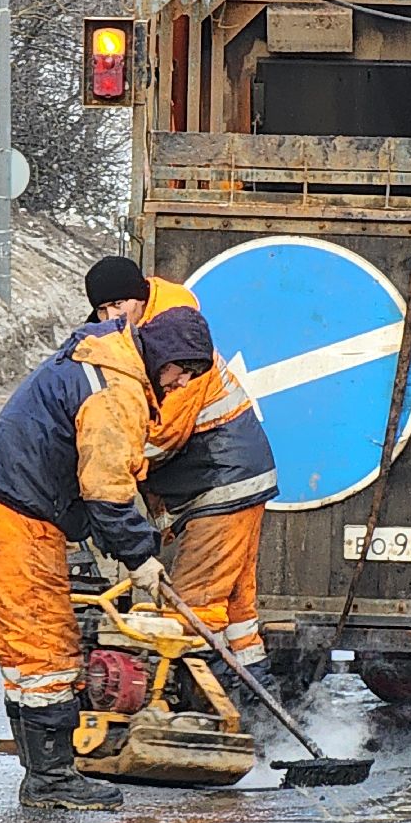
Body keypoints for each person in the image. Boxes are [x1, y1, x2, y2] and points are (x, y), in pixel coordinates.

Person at [0, 306, 214, 811]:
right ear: (162, 356)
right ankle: (51, 780)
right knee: (46, 653)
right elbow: (106, 489)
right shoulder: (115, 392)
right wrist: (140, 555)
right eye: (182, 370)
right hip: (19, 516)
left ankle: (45, 770)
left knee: (29, 651)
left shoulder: (103, 358)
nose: (181, 382)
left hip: (11, 507)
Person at [85, 257, 281, 713]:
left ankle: (200, 713)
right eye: (103, 308)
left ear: (141, 296)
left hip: (220, 483)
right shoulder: (147, 335)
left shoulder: (175, 341)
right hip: (232, 481)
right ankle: (259, 713)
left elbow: (163, 435)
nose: (113, 315)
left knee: (193, 607)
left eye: (120, 303)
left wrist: (109, 458)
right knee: (235, 613)